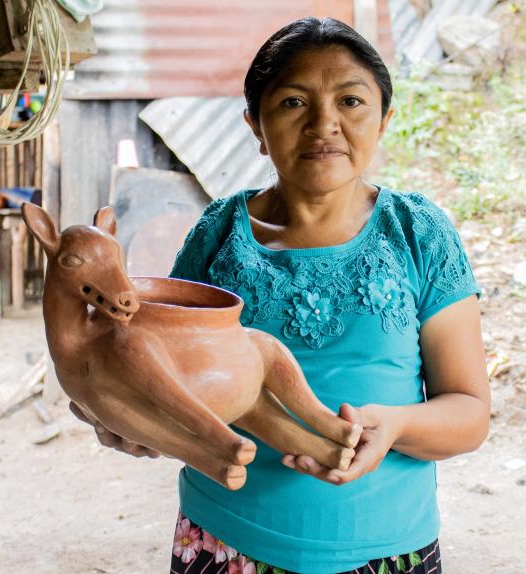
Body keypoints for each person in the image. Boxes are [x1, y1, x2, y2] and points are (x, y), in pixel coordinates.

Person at [81, 16, 491, 574]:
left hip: (390, 547)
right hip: (225, 542)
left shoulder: (419, 233)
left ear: (384, 119)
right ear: (255, 123)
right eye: (294, 103)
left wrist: (395, 424)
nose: (326, 123)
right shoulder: (219, 235)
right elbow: (166, 377)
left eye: (351, 101)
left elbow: (468, 414)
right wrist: (125, 418)